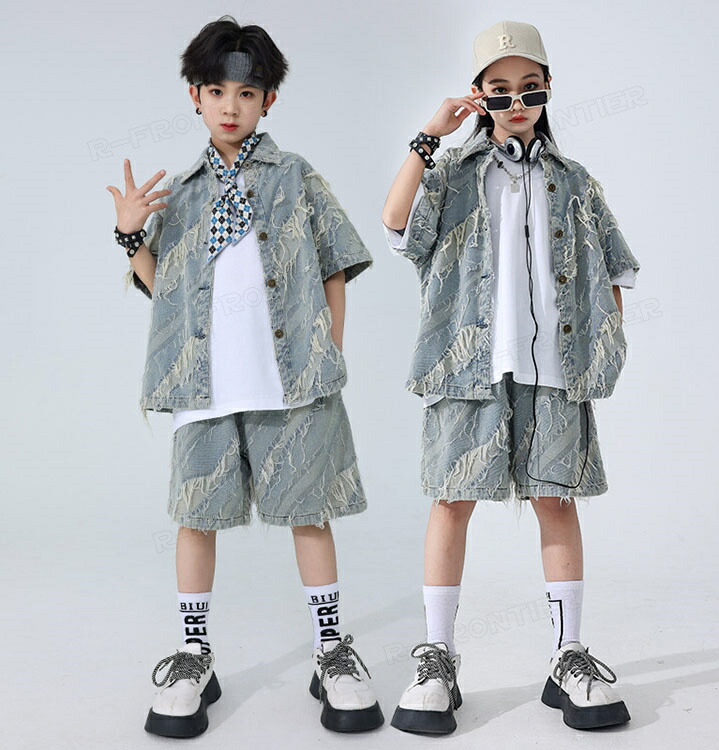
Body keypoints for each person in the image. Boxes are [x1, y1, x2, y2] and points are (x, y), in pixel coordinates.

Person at [106, 15, 383, 738]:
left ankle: (331, 649)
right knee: (196, 518)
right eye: (217, 91)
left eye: (247, 93)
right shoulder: (183, 192)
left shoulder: (295, 177)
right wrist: (131, 233)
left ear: (269, 101)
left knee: (308, 513)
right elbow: (165, 288)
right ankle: (194, 654)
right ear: (194, 96)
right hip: (204, 386)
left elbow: (334, 266)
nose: (231, 106)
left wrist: (327, 355)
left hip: (290, 381)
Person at [381, 20, 640, 735]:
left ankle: (568, 655)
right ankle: (437, 656)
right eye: (499, 91)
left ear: (548, 88)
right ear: (478, 96)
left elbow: (615, 267)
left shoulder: (575, 182)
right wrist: (428, 137)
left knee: (556, 502)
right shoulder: (452, 175)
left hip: (555, 372)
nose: (516, 102)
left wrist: (602, 348)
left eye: (529, 88)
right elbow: (397, 226)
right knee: (451, 501)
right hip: (467, 369)